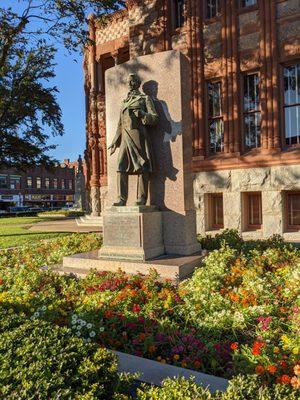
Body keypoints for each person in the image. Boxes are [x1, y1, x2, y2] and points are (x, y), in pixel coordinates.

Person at [108, 73, 158, 206]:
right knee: (120, 166)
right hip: (125, 138)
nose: (130, 84)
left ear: (137, 83)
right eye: (128, 82)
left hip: (139, 136)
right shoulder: (124, 101)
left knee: (142, 167)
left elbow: (154, 118)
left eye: (132, 81)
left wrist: (142, 114)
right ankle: (121, 199)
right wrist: (115, 141)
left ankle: (141, 198)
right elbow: (120, 123)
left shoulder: (144, 98)